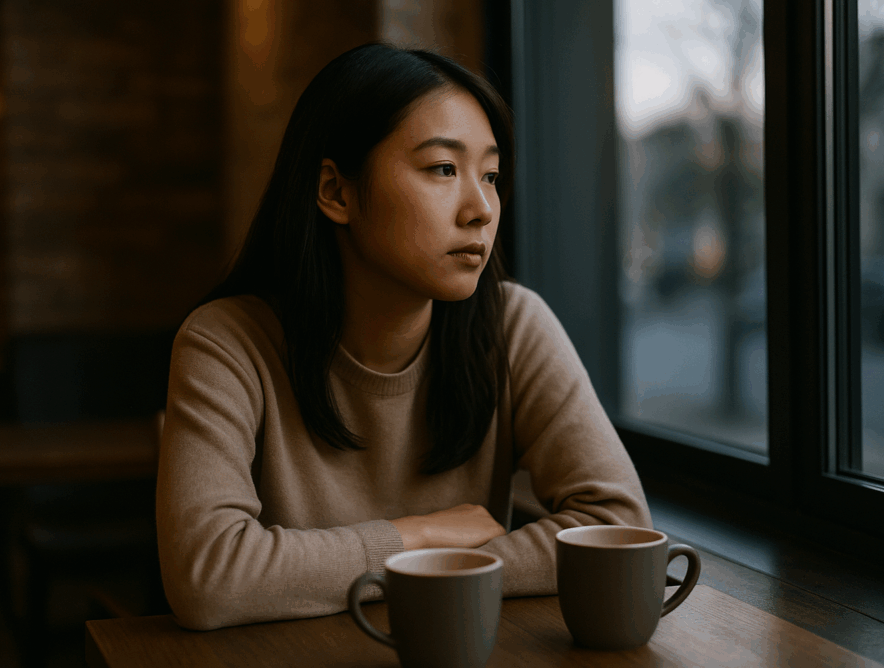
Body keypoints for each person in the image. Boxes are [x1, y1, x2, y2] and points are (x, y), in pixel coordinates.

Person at [156, 43, 651, 631]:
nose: (482, 210)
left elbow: (618, 525)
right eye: (443, 168)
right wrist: (421, 535)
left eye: (490, 175)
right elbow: (209, 579)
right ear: (336, 192)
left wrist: (424, 564)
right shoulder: (226, 343)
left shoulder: (514, 325)